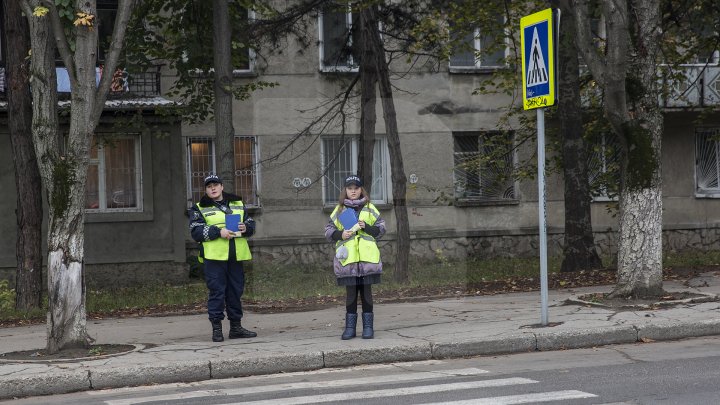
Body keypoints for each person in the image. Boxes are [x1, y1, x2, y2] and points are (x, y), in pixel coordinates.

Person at [189, 174, 257, 342]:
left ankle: (236, 327)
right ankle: (217, 329)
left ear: (222, 187)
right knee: (217, 292)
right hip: (214, 258)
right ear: (205, 190)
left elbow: (251, 224)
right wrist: (218, 232)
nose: (213, 188)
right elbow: (195, 232)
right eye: (209, 186)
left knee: (235, 291)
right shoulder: (199, 207)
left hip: (235, 255)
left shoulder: (237, 204)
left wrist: (245, 227)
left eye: (215, 185)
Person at [325, 175, 386, 340]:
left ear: (361, 190)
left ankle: (368, 328)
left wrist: (366, 227)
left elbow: (381, 230)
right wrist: (341, 234)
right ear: (345, 191)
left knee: (367, 295)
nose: (353, 191)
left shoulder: (370, 208)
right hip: (348, 261)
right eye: (350, 188)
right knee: (351, 295)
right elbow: (328, 232)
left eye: (356, 188)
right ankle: (350, 328)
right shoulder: (339, 210)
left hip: (367, 261)